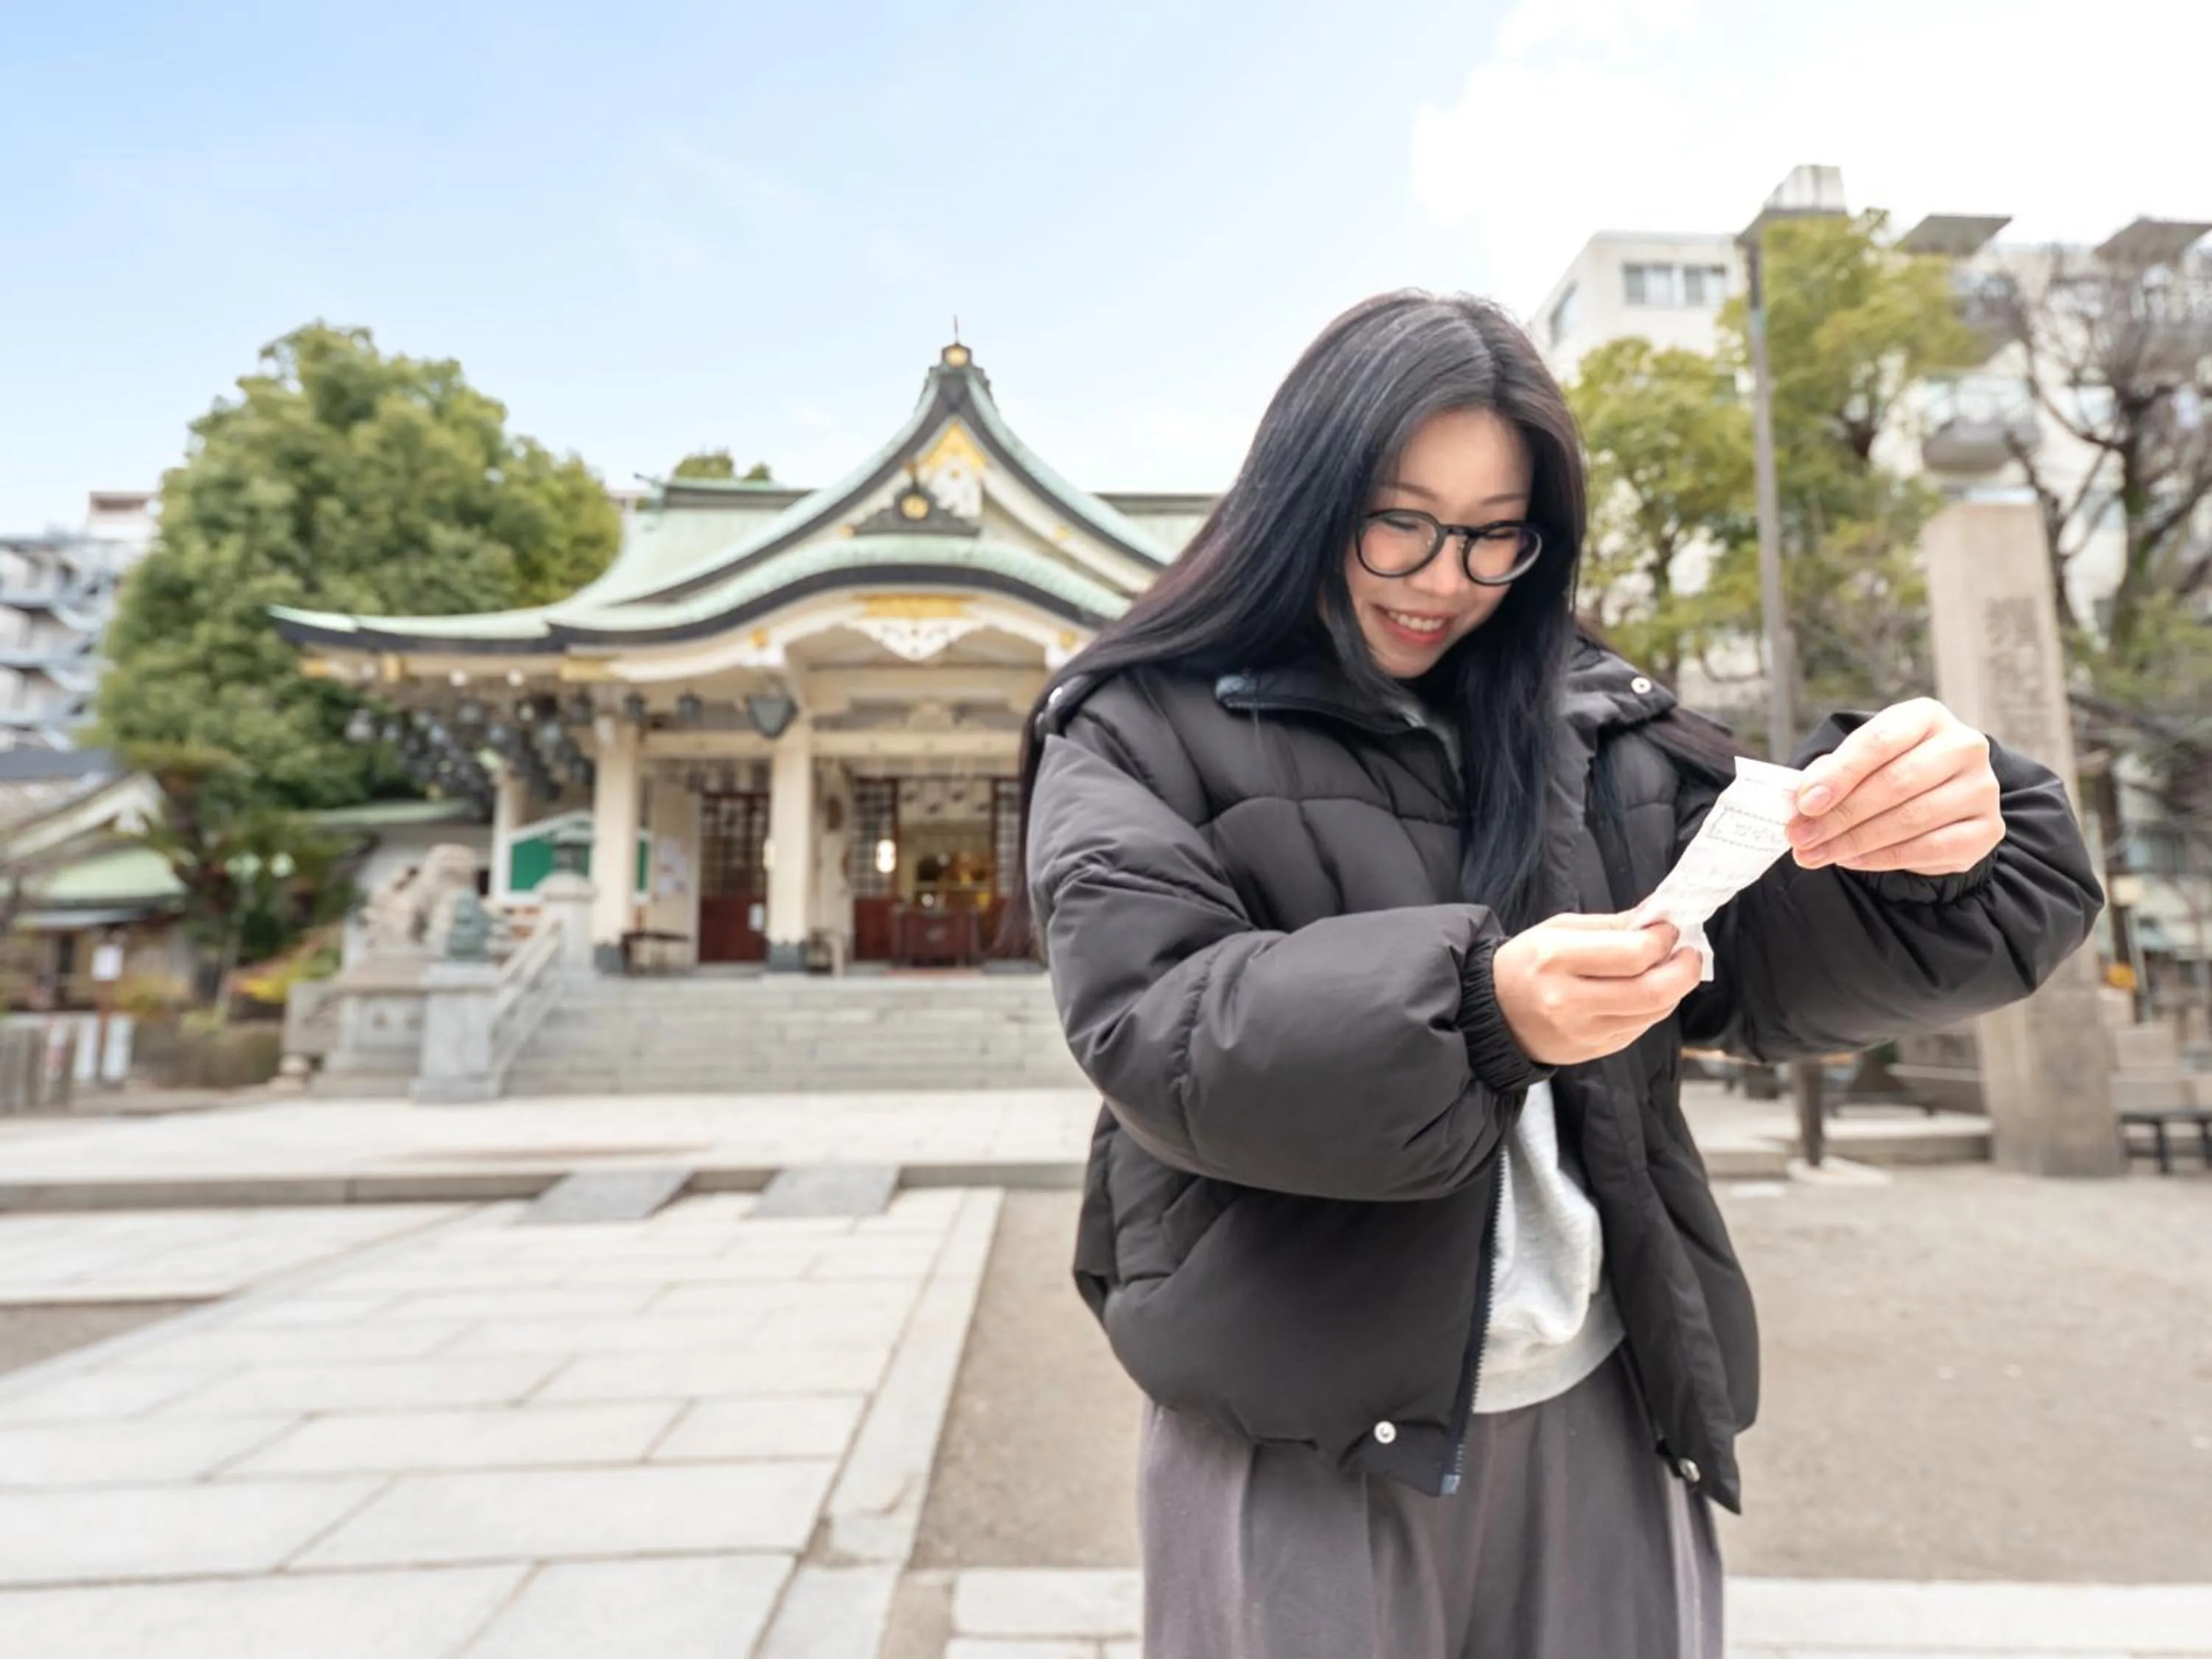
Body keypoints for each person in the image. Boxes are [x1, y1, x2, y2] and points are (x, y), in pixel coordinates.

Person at [1009, 292, 2102, 1659]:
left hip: (1605, 1397)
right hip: (1295, 1429)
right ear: (1301, 497)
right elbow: (1159, 1022)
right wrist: (1481, 1008)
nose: (1443, 576)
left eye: (1495, 535)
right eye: (1398, 520)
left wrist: (1940, 844)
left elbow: (1783, 950)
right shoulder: (1132, 720)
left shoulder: (1595, 722)